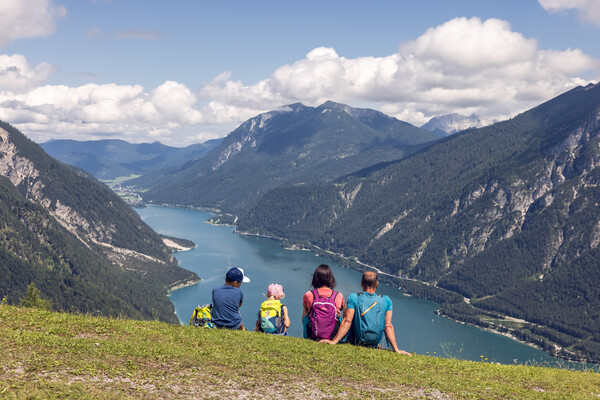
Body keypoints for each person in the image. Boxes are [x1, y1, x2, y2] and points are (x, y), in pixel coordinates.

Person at [320, 271, 411, 356]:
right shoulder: (386, 300)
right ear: (377, 284)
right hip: (374, 344)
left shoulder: (354, 298)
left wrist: (334, 341)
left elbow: (347, 321)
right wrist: (396, 349)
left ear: (362, 284)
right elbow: (388, 326)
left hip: (354, 342)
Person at [303, 264, 345, 340]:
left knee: (305, 311)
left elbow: (305, 308)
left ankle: (307, 335)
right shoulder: (339, 295)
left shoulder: (309, 294)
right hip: (333, 334)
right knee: (339, 315)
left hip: (313, 332)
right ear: (331, 278)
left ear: (315, 278)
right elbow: (341, 308)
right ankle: (338, 338)